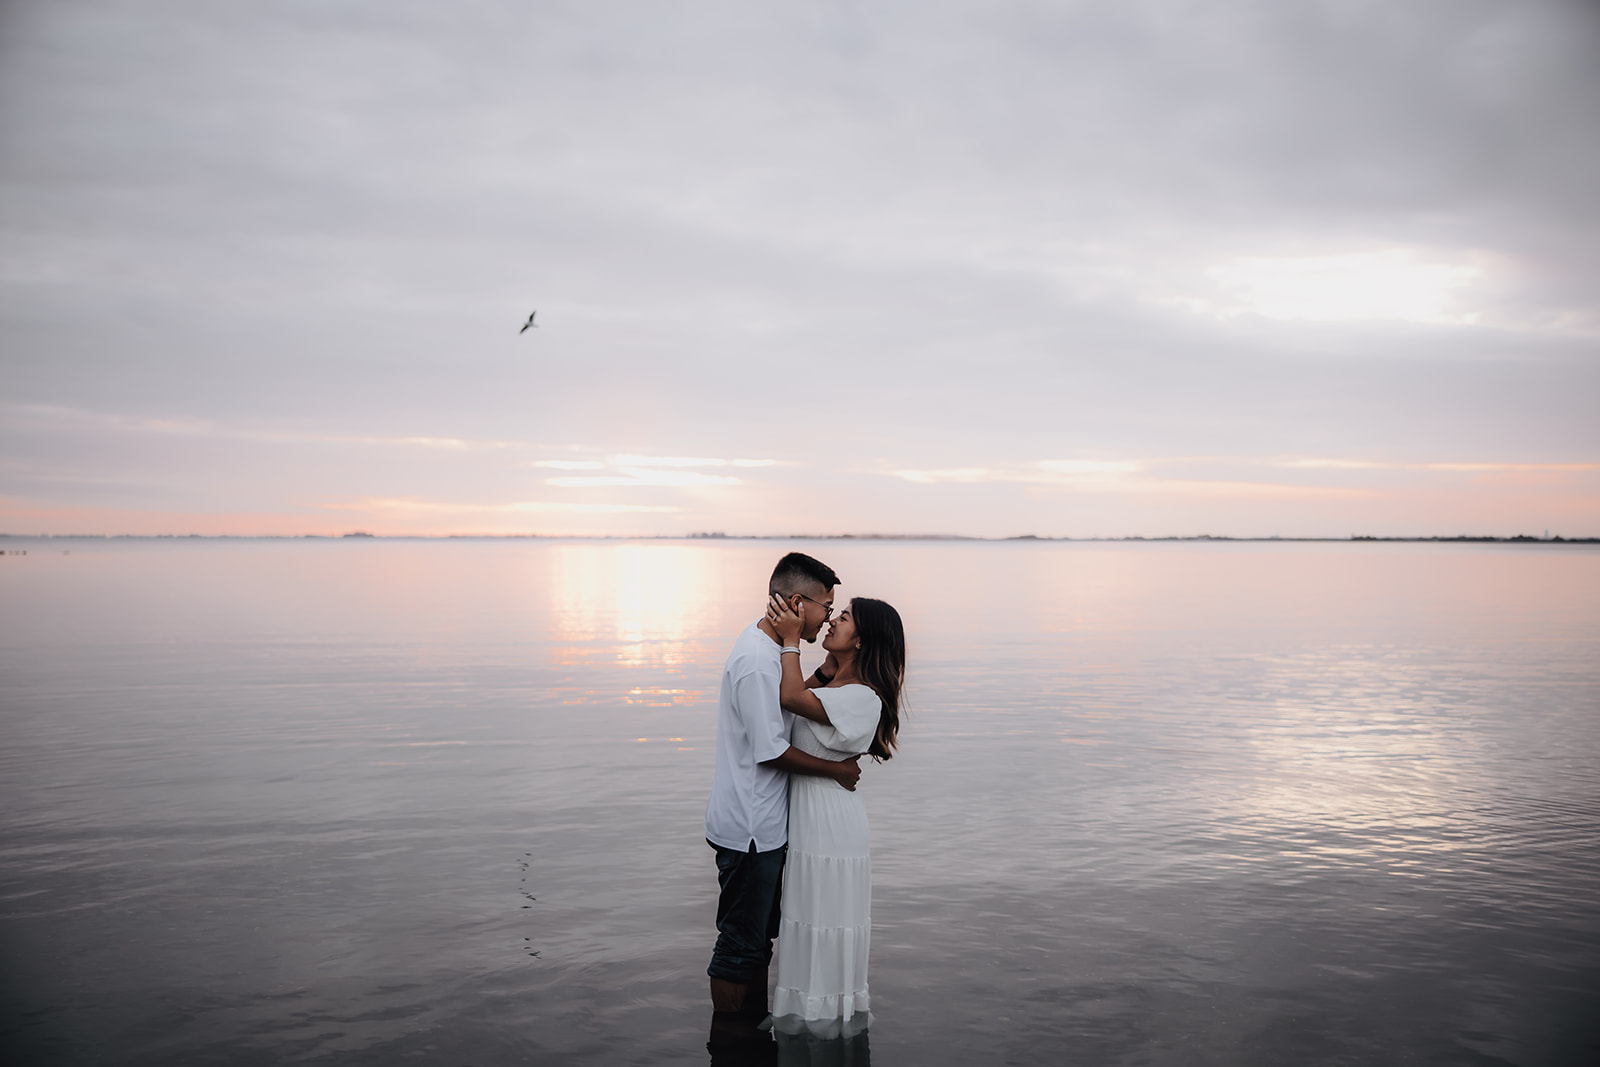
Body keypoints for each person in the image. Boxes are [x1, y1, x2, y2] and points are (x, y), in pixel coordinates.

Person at [704, 552, 863, 1027]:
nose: (829, 617)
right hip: (750, 828)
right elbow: (770, 750)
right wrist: (834, 772)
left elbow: (785, 707)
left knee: (757, 939)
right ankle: (731, 1042)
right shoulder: (757, 661)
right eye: (826, 606)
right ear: (797, 602)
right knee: (739, 945)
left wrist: (824, 674)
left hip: (762, 826)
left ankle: (751, 1028)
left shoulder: (770, 652)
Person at [764, 591, 905, 1037]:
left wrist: (790, 640)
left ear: (861, 639)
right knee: (806, 921)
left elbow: (788, 697)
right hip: (810, 819)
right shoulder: (836, 687)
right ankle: (802, 1020)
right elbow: (794, 703)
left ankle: (825, 1026)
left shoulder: (864, 698)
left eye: (842, 617)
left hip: (831, 827)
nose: (831, 622)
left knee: (826, 921)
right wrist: (826, 667)